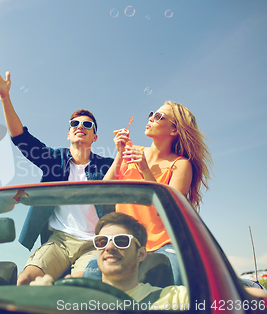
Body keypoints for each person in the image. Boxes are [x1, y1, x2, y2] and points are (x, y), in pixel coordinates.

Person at [0, 64, 114, 285]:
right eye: (74, 123)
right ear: (68, 133)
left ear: (95, 137)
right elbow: (21, 139)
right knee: (26, 281)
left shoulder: (107, 165)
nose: (80, 126)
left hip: (95, 243)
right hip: (59, 241)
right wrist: (4, 97)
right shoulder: (54, 159)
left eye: (88, 124)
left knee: (77, 286)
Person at [83, 101, 212, 285]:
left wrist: (145, 170)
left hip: (163, 244)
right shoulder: (131, 153)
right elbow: (105, 192)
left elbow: (169, 209)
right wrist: (119, 154)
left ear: (174, 130)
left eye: (159, 116)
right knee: (91, 274)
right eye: (152, 113)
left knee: (176, 277)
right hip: (125, 241)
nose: (151, 118)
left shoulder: (180, 164)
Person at [31, 212, 190, 310]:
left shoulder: (172, 299)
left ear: (141, 254)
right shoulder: (73, 303)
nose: (109, 247)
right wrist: (37, 302)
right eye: (101, 241)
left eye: (121, 241)